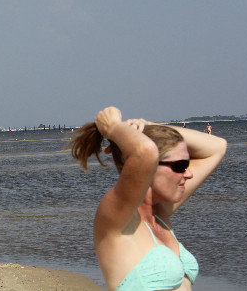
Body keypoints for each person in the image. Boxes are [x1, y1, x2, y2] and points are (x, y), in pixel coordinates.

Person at [70, 107, 226, 291]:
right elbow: (145, 151)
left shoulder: (160, 212)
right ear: (150, 166)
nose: (189, 173)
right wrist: (112, 127)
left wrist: (148, 126)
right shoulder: (118, 218)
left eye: (188, 163)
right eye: (181, 165)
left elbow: (217, 147)